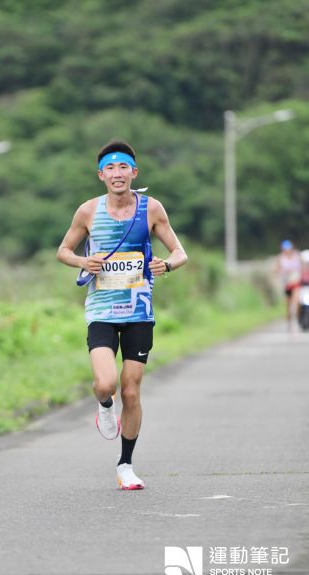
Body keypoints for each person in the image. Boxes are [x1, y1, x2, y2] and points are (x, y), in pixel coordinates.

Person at [57, 139, 187, 490]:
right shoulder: (88, 211)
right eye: (110, 168)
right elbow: (63, 250)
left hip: (139, 311)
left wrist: (166, 265)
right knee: (107, 384)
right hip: (101, 309)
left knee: (131, 391)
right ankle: (104, 405)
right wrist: (83, 260)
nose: (117, 173)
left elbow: (179, 251)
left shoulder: (151, 209)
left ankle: (125, 465)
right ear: (101, 175)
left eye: (123, 167)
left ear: (134, 172)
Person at [274, 240, 302, 328]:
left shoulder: (297, 256)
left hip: (295, 281)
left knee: (297, 301)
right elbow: (275, 269)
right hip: (286, 283)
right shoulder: (280, 258)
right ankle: (289, 322)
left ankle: (298, 317)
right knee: (288, 304)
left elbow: (303, 266)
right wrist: (278, 271)